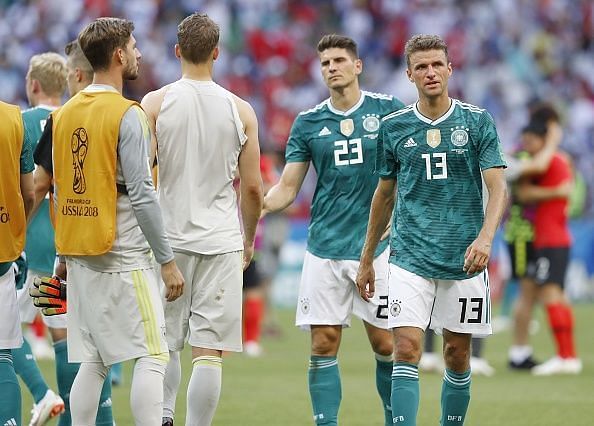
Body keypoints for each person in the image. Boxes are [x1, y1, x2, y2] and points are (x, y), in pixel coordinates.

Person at [356, 34, 507, 426]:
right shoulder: (394, 127)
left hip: (464, 259)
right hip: (409, 256)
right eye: (421, 66)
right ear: (409, 74)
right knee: (406, 347)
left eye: (437, 64)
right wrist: (368, 257)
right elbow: (383, 195)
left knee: (457, 354)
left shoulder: (476, 121)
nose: (430, 72)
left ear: (450, 68)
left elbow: (497, 186)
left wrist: (486, 238)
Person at [262, 34, 404, 426]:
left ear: (357, 66)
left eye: (339, 60)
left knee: (386, 342)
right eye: (325, 63)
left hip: (379, 247)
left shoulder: (389, 111)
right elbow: (288, 187)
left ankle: (396, 419)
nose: (331, 68)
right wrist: (258, 205)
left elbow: (409, 168)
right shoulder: (308, 122)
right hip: (324, 246)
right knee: (323, 343)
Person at [51, 17, 184, 424]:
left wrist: (61, 256)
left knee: (94, 361)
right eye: (134, 45)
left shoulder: (65, 113)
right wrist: (166, 260)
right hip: (123, 255)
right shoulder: (128, 114)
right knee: (154, 352)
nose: (140, 53)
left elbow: (62, 189)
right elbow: (142, 193)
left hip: (79, 254)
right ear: (118, 55)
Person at [141, 13, 263, 426]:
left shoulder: (154, 103)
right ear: (216, 52)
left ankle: (162, 417)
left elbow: (143, 173)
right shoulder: (241, 110)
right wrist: (248, 239)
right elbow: (251, 188)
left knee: (164, 344)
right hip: (221, 240)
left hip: (168, 239)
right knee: (209, 351)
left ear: (177, 51)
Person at [29, 41, 115, 425]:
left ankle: (43, 395)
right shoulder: (94, 117)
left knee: (7, 336)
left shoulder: (29, 121)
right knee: (85, 342)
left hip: (34, 247)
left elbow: (35, 186)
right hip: (81, 243)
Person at [7, 52, 68, 426]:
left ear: (32, 84)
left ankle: (42, 393)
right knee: (63, 334)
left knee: (5, 329)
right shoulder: (74, 117)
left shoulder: (21, 122)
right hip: (65, 244)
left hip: (26, 241)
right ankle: (70, 417)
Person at [510, 119, 581, 375]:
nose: (526, 146)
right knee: (557, 297)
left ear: (544, 139)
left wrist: (551, 142)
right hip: (555, 238)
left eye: (531, 141)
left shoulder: (550, 160)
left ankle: (565, 357)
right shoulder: (557, 161)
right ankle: (569, 355)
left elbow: (526, 195)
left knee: (550, 295)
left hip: (550, 240)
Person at [0, 99, 35, 426]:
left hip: (36, 256)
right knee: (2, 356)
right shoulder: (14, 118)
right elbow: (29, 192)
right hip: (12, 252)